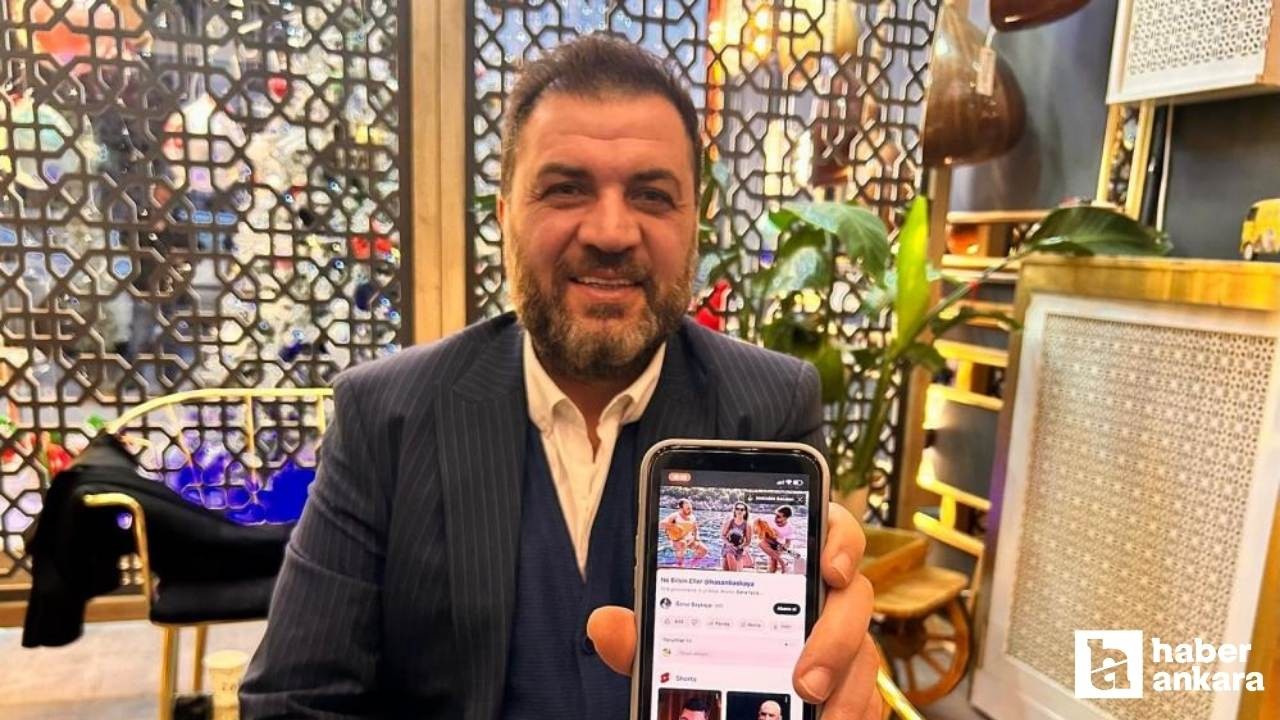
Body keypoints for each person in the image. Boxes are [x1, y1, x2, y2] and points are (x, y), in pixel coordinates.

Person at [241, 33, 880, 719]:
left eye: (653, 195)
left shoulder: (770, 406)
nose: (611, 232)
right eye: (566, 189)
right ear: (505, 217)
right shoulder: (385, 416)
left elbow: (798, 674)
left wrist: (831, 680)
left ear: (695, 223)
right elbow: (293, 703)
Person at [663, 498, 709, 567]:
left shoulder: (692, 517)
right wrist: (674, 529)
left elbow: (695, 528)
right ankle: (679, 565)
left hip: (689, 539)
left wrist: (696, 537)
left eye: (690, 508)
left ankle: (691, 565)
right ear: (681, 508)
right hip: (677, 540)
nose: (690, 510)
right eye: (688, 508)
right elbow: (662, 524)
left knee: (704, 550)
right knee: (682, 544)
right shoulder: (674, 516)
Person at [759, 505, 797, 574]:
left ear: (786, 518)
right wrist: (763, 531)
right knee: (760, 543)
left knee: (773, 560)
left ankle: (774, 570)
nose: (775, 518)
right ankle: (782, 563)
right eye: (776, 515)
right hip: (767, 541)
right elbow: (757, 522)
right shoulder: (769, 518)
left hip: (779, 545)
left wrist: (784, 547)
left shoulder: (789, 528)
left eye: (778, 516)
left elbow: (788, 543)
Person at [720, 501, 752, 571]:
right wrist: (728, 544)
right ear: (734, 510)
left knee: (729, 569)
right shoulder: (730, 522)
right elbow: (723, 535)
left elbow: (748, 541)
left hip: (739, 548)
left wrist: (741, 546)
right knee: (726, 566)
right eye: (737, 509)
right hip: (728, 546)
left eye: (742, 509)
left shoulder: (747, 525)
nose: (739, 511)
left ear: (745, 512)